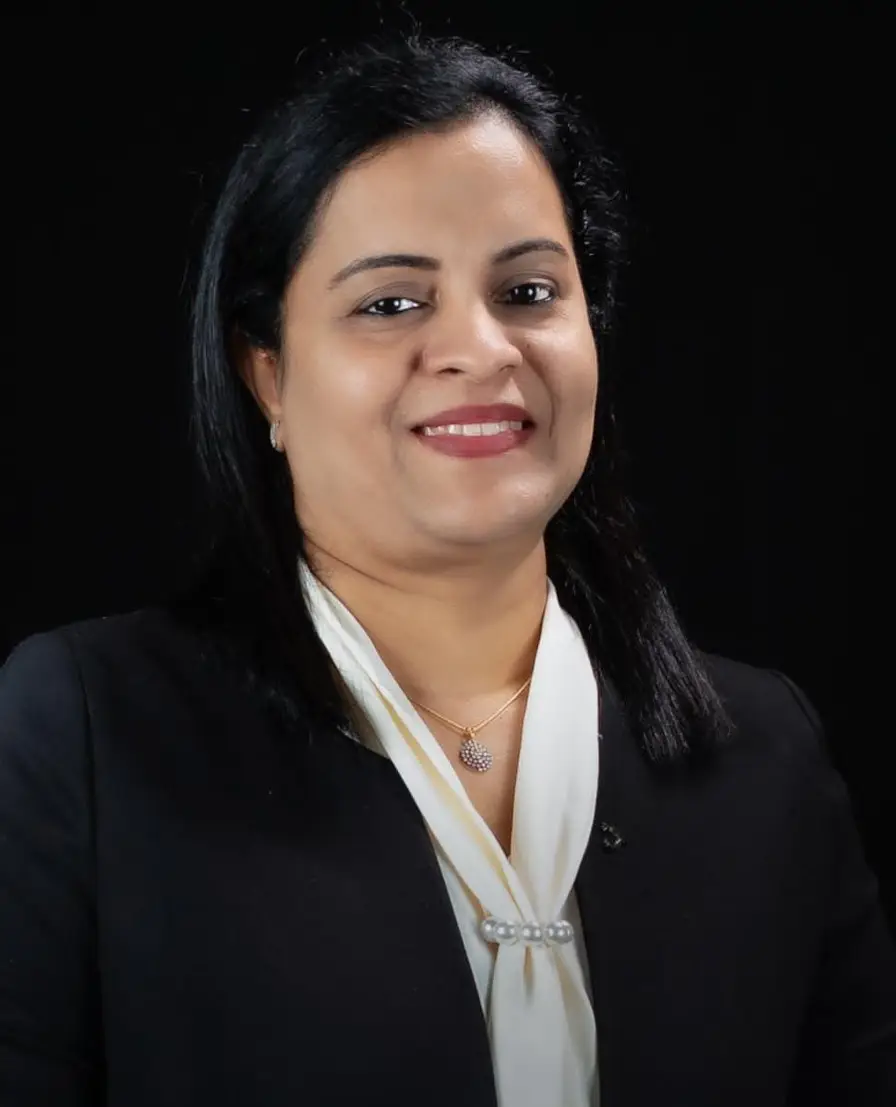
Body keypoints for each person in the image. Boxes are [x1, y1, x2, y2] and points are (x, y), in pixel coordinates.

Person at [1, 31, 894, 1107]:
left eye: (527, 290)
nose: (479, 348)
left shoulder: (763, 757)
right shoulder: (84, 736)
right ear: (267, 373)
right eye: (391, 303)